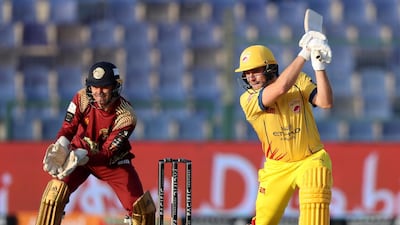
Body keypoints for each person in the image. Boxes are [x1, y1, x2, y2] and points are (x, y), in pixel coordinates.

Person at [36, 61, 155, 225]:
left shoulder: (126, 116)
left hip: (113, 162)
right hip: (76, 158)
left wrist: (83, 156)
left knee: (141, 211)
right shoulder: (81, 98)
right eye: (94, 87)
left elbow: (107, 153)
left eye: (105, 87)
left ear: (115, 87)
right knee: (53, 197)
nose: (99, 92)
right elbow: (68, 128)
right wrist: (62, 145)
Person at [235, 31, 333, 225]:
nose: (251, 77)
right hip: (276, 167)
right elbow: (280, 89)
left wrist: (319, 67)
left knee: (316, 202)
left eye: (255, 71)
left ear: (269, 68)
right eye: (246, 73)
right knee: (264, 221)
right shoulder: (248, 100)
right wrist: (304, 53)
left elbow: (325, 102)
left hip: (310, 159)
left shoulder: (300, 81)